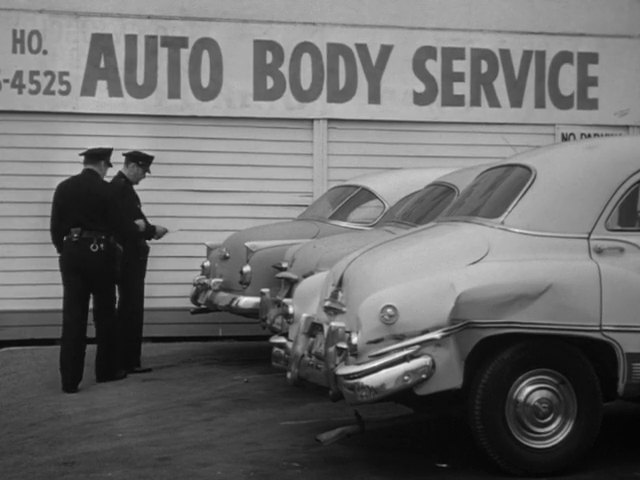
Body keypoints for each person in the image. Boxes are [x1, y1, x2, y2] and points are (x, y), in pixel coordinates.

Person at [50, 147, 134, 393]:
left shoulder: (64, 188)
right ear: (103, 164)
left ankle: (69, 380)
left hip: (72, 252)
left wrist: (64, 251)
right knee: (105, 314)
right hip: (100, 254)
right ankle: (106, 370)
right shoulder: (107, 191)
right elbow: (121, 226)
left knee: (73, 316)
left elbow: (55, 227)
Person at [111, 150, 168, 374]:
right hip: (128, 259)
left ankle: (126, 358)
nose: (144, 175)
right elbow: (130, 225)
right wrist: (151, 230)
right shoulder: (121, 190)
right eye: (143, 170)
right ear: (133, 166)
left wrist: (145, 228)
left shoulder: (122, 188)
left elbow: (137, 223)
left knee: (129, 307)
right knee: (131, 308)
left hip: (128, 257)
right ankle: (128, 360)